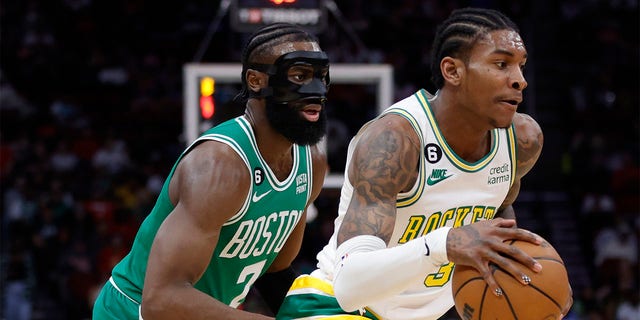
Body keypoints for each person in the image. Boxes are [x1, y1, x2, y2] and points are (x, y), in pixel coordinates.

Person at [277, 7, 573, 320]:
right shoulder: (394, 140)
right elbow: (350, 286)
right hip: (335, 306)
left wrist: (539, 283)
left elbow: (498, 229)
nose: (520, 81)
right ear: (453, 71)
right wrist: (445, 244)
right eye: (501, 64)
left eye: (521, 67)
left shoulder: (522, 141)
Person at [92, 22, 330, 319]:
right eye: (299, 76)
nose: (317, 90)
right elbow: (161, 300)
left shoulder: (312, 163)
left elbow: (274, 270)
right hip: (134, 311)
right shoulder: (218, 166)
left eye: (321, 77)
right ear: (256, 81)